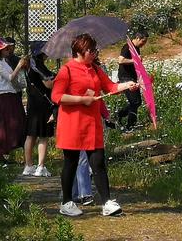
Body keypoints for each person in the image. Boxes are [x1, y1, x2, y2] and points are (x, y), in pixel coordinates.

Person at [51, 33, 139, 217]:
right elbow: (57, 96)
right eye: (91, 50)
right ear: (80, 51)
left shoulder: (96, 69)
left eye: (94, 50)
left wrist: (127, 85)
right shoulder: (66, 70)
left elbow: (110, 87)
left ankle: (107, 202)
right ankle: (66, 202)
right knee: (71, 163)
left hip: (92, 124)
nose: (94, 53)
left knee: (98, 162)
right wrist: (81, 100)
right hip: (72, 124)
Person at [0, 38, 28, 164]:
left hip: (11, 94)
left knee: (17, 121)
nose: (8, 50)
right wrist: (19, 66)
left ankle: (8, 148)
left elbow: (15, 78)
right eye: (6, 49)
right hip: (4, 95)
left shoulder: (4, 62)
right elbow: (10, 77)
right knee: (5, 123)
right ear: (0, 50)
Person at [23, 41, 55, 177]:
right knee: (43, 136)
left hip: (32, 103)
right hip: (43, 103)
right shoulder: (38, 65)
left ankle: (28, 165)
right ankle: (40, 167)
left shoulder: (29, 64)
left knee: (31, 134)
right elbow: (48, 84)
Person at [116, 31, 148, 130]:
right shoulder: (127, 47)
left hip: (132, 77)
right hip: (125, 78)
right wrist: (135, 60)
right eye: (143, 41)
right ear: (137, 38)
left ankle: (120, 114)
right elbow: (120, 60)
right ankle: (130, 125)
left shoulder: (136, 48)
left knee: (137, 102)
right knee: (135, 101)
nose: (144, 44)